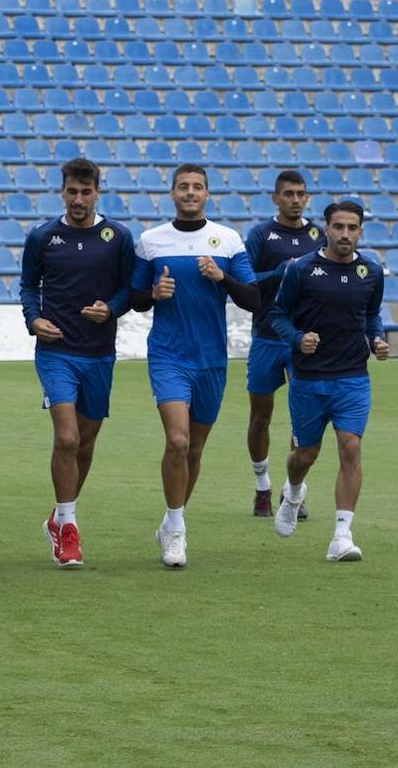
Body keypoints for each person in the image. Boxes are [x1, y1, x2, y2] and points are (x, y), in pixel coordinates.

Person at [130, 164, 259, 568]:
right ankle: (178, 531)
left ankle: (170, 522)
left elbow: (254, 298)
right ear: (172, 193)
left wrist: (221, 277)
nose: (190, 192)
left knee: (196, 449)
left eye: (197, 187)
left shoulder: (228, 239)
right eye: (183, 187)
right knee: (179, 441)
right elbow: (135, 298)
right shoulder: (152, 240)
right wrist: (154, 292)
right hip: (169, 355)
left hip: (212, 361)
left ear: (207, 194)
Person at [19, 158, 136, 568]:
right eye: (72, 191)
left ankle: (58, 514)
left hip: (99, 353)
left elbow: (128, 288)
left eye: (86, 192)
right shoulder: (43, 237)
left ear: (97, 192)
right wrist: (33, 320)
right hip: (57, 353)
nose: (79, 199)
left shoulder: (117, 237)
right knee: (67, 438)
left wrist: (113, 308)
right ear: (62, 191)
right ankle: (68, 527)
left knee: (85, 443)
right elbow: (28, 286)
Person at [267, 201, 388, 561]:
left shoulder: (372, 271)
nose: (345, 234)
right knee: (305, 454)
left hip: (353, 378)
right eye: (339, 227)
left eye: (352, 228)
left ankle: (341, 536)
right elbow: (277, 315)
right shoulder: (302, 270)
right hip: (309, 379)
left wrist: (377, 340)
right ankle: (293, 490)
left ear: (361, 232)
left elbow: (371, 316)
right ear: (326, 229)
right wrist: (297, 338)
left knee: (350, 447)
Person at [242, 171, 323, 518]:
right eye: (288, 193)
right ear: (275, 198)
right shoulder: (262, 234)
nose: (295, 199)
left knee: (300, 419)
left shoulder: (319, 235)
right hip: (265, 336)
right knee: (260, 416)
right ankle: (262, 486)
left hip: (300, 340)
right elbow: (244, 279)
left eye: (300, 193)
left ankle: (294, 494)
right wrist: (280, 272)